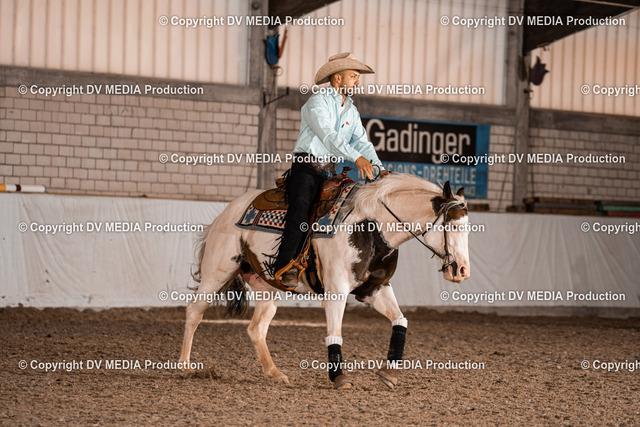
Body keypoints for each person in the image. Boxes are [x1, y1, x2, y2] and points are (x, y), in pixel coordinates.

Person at [273, 52, 390, 289]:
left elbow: (362, 142)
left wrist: (379, 168)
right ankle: (285, 265)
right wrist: (357, 158)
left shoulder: (352, 111)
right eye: (353, 76)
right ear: (337, 79)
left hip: (330, 172)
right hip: (307, 168)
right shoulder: (317, 102)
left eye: (357, 76)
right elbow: (328, 135)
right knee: (301, 210)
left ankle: (338, 266)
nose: (358, 81)